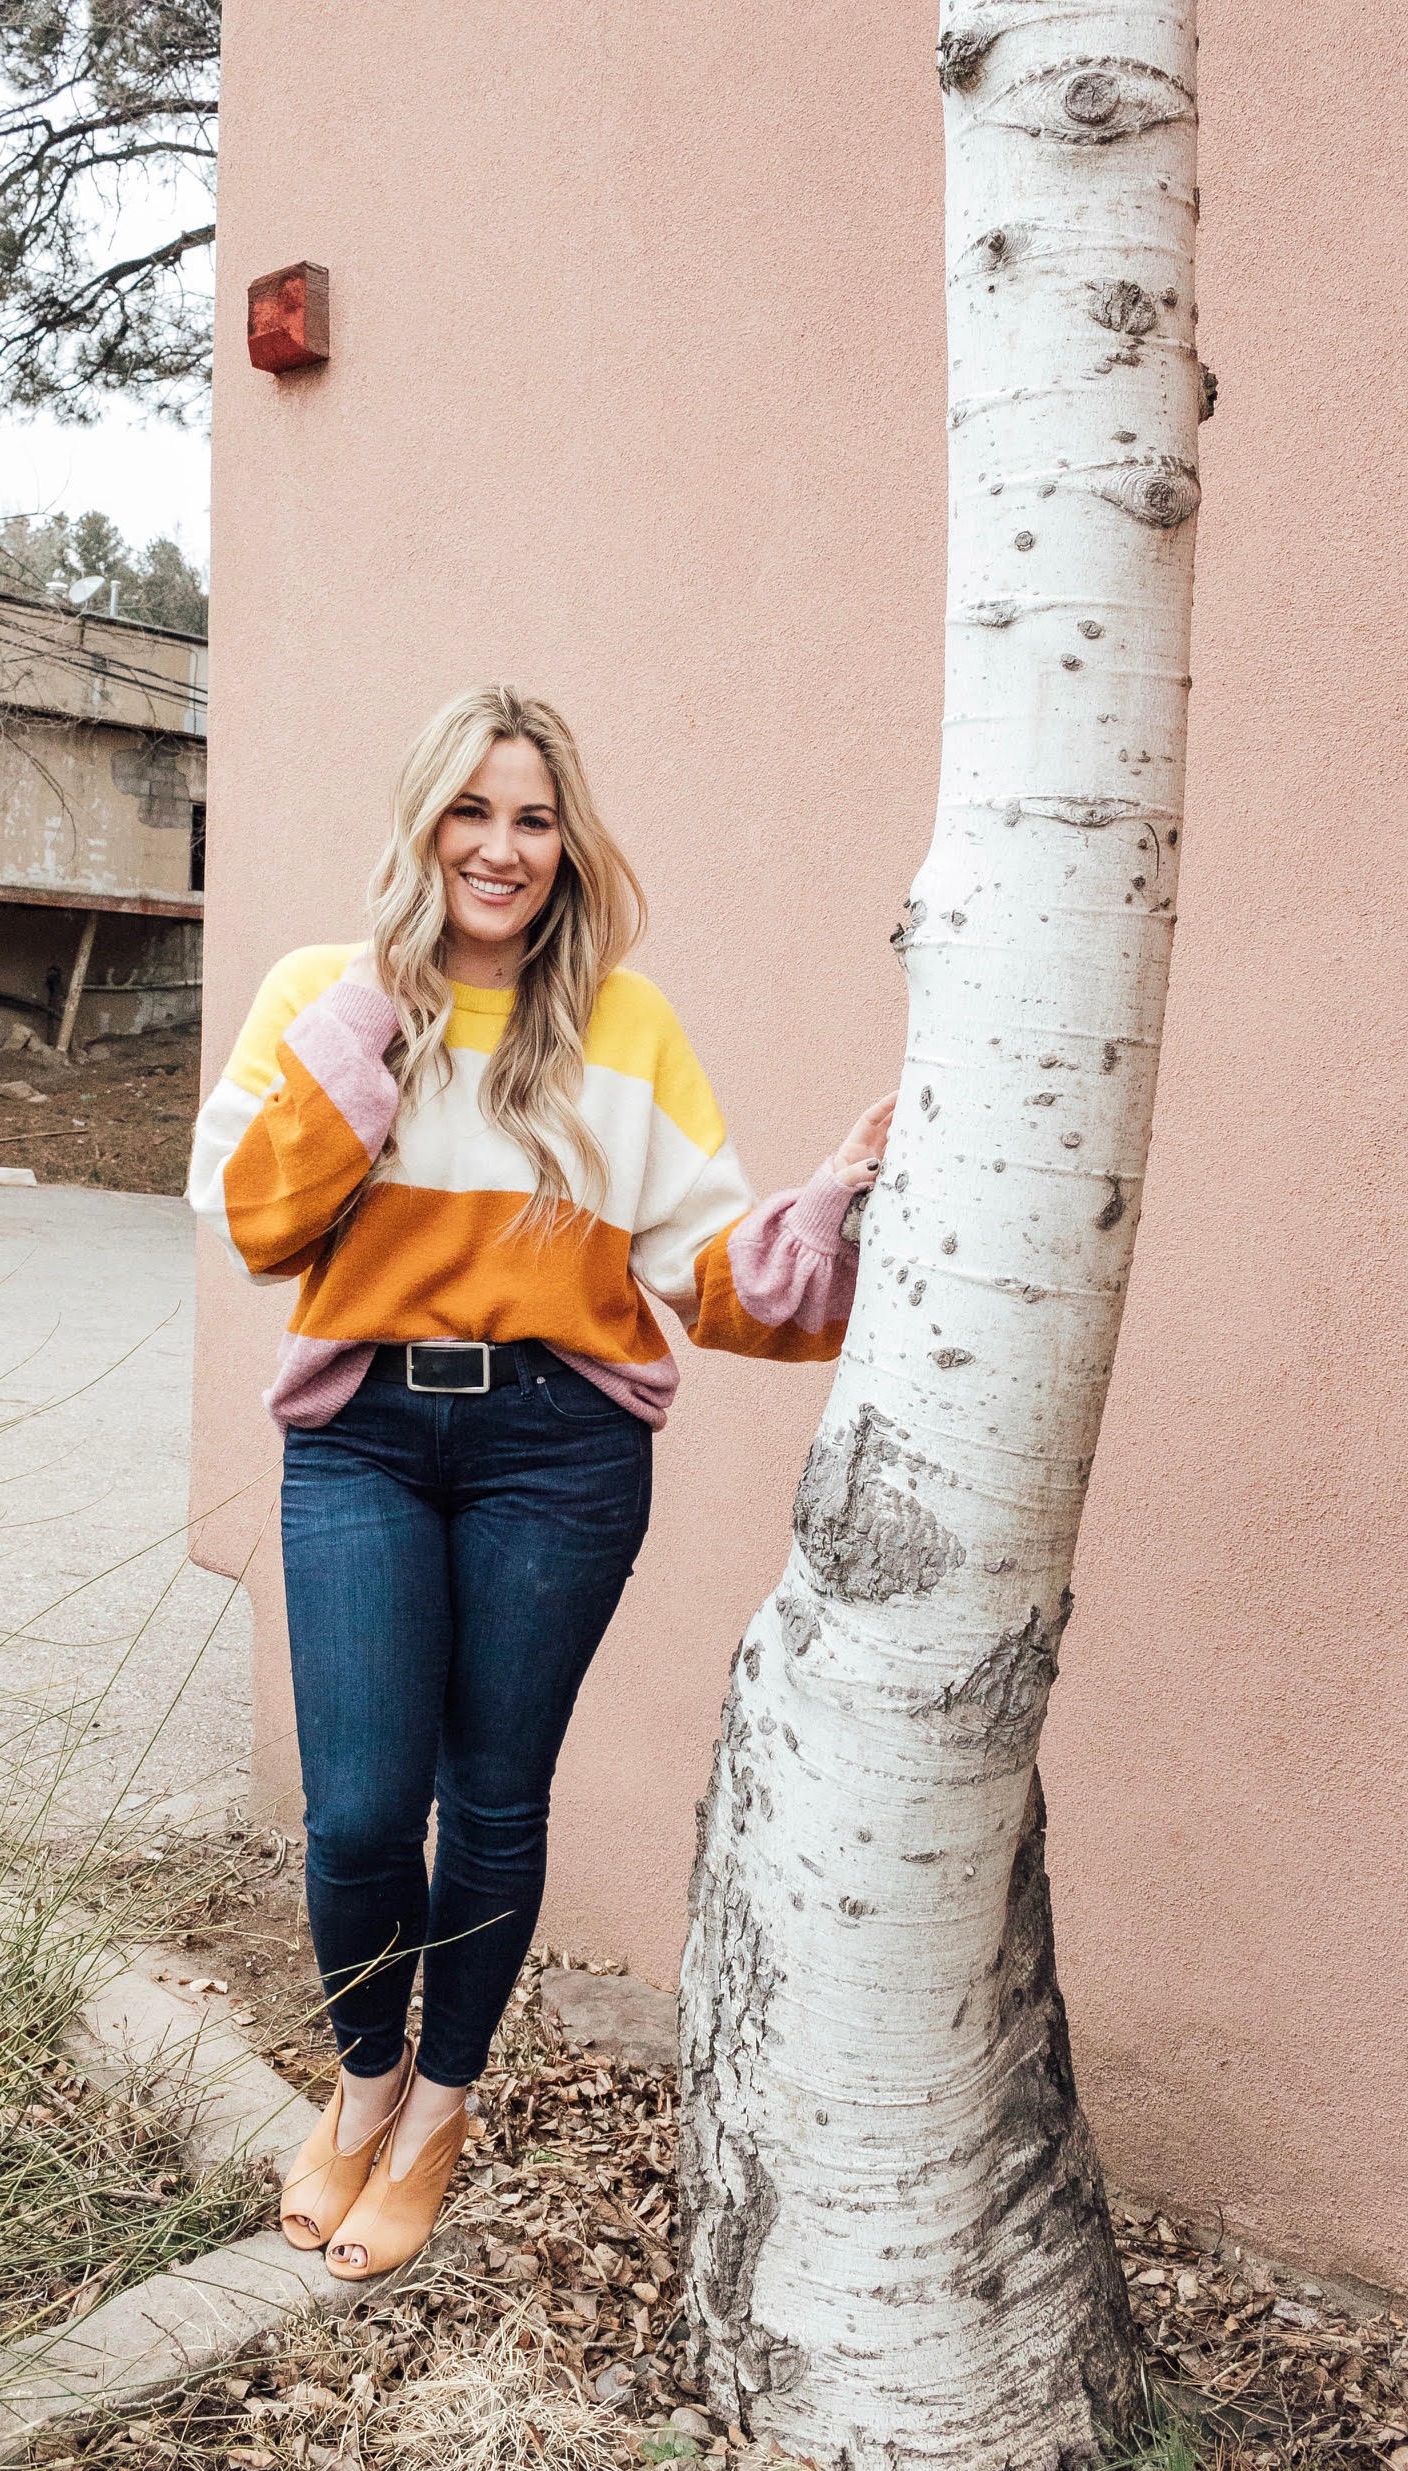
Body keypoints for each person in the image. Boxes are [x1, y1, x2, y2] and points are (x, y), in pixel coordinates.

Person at [188, 686, 893, 2280]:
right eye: (472, 812)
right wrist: (378, 1009)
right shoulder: (323, 992)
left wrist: (835, 1204)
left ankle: (437, 2112)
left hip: (555, 1451)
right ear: (423, 824)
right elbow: (252, 1221)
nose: (501, 849)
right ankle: (364, 2080)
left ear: (568, 843)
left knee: (491, 1804)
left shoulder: (619, 1028)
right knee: (363, 1810)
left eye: (534, 817)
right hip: (362, 1430)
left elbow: (708, 1270)